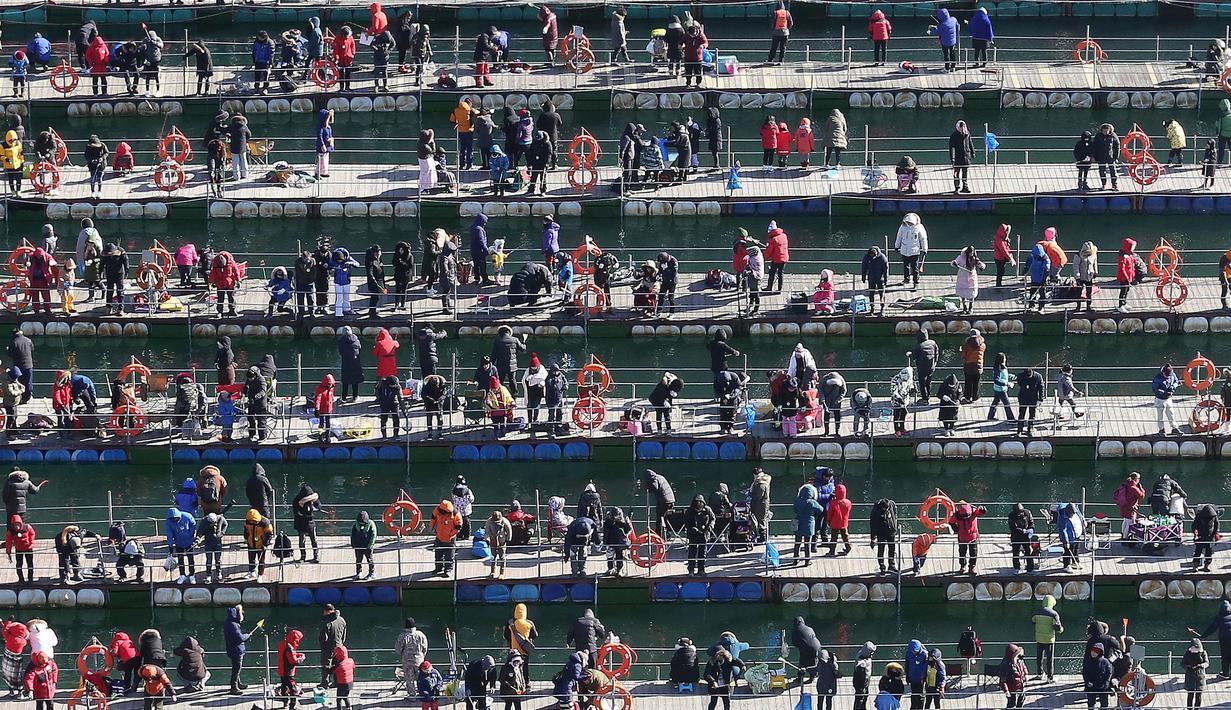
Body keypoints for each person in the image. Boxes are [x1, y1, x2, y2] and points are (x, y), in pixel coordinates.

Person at [395, 619, 429, 699]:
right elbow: (425, 647)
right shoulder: (421, 635)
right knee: (421, 678)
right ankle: (423, 694)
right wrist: (422, 656)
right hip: (419, 661)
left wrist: (403, 655)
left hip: (407, 662)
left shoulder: (402, 636)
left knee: (409, 680)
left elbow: (398, 649)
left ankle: (412, 696)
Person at [503, 604, 538, 682]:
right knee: (525, 668)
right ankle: (526, 683)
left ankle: (513, 683)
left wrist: (512, 641)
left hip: (513, 651)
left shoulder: (510, 623)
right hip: (525, 650)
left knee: (512, 667)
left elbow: (506, 636)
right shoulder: (529, 623)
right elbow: (535, 635)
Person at [1032, 594, 1062, 682]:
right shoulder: (1054, 614)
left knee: (1039, 657)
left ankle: (1040, 674)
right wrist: (1061, 630)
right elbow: (1057, 627)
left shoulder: (1037, 611)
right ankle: (1050, 677)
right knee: (1049, 659)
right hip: (1049, 640)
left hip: (1039, 638)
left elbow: (1033, 620)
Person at [683, 495, 715, 576]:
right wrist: (692, 528)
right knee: (692, 552)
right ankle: (691, 570)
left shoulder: (707, 510)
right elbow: (687, 523)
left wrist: (710, 527)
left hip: (704, 533)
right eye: (698, 502)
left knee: (702, 552)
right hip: (693, 534)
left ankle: (701, 569)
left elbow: (713, 518)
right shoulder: (689, 511)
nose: (699, 504)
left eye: (701, 502)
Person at [894, 213, 927, 290]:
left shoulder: (919, 227)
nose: (908, 224)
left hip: (914, 251)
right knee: (905, 266)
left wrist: (925, 249)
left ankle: (915, 282)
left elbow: (923, 239)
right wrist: (896, 246)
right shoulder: (902, 227)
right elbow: (899, 237)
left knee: (914, 268)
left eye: (910, 222)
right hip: (904, 250)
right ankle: (906, 279)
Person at [318, 604, 348, 688]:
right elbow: (344, 635)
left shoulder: (327, 623)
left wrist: (323, 647)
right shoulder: (342, 620)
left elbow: (323, 638)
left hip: (328, 648)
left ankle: (325, 683)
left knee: (326, 666)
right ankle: (336, 682)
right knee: (337, 665)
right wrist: (340, 644)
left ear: (327, 611)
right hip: (339, 647)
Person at [430, 500, 462, 576]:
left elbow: (458, 527)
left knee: (449, 556)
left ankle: (448, 570)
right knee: (438, 555)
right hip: (439, 537)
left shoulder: (456, 514)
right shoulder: (437, 510)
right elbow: (433, 518)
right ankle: (438, 568)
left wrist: (450, 534)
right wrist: (432, 528)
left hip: (450, 539)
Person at [641, 469, 676, 535]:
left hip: (664, 501)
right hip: (671, 500)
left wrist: (647, 487)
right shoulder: (660, 477)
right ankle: (667, 533)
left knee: (659, 519)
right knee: (665, 518)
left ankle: (659, 534)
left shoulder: (654, 479)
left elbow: (655, 487)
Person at [1114, 472, 1147, 540]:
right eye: (1138, 478)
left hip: (1124, 506)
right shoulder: (1133, 487)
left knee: (1125, 521)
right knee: (1130, 523)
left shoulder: (1125, 485)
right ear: (1136, 479)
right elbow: (1141, 496)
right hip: (1130, 508)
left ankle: (1123, 534)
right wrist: (1141, 488)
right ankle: (1124, 538)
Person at [242, 508, 273, 578]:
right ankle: (251, 571)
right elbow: (246, 530)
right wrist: (246, 538)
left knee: (261, 560)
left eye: (254, 521)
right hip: (251, 543)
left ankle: (260, 574)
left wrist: (266, 544)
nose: (252, 522)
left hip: (261, 544)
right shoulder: (247, 521)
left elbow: (269, 534)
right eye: (251, 521)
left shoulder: (265, 522)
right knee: (251, 558)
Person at [1153, 363, 1182, 436]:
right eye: (1167, 375)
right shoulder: (1157, 378)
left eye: (1169, 375)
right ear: (1163, 373)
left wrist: (1173, 386)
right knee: (1160, 416)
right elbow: (1155, 389)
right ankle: (1161, 430)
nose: (1168, 377)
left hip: (1168, 399)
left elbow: (1176, 381)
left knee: (1171, 414)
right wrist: (1164, 392)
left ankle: (1174, 428)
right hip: (1160, 399)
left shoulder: (1171, 374)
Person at [860, 246, 889, 316]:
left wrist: (886, 279)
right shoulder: (866, 257)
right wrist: (863, 277)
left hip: (880, 278)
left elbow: (886, 269)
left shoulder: (882, 257)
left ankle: (882, 308)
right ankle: (872, 308)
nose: (873, 257)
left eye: (874, 256)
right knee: (871, 294)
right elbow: (864, 267)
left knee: (882, 294)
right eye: (871, 256)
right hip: (871, 278)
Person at [1015, 367, 1044, 437]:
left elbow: (1041, 387)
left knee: (1032, 413)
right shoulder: (1020, 376)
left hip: (1033, 398)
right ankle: (1019, 430)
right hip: (1023, 397)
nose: (1028, 377)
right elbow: (1019, 383)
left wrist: (1040, 399)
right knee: (1021, 413)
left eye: (1029, 376)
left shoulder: (1038, 376)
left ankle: (1030, 428)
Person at [1083, 644, 1113, 710]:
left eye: (1096, 652)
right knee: (1091, 704)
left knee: (1104, 704)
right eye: (1092, 651)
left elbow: (1109, 673)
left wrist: (1106, 683)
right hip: (1091, 685)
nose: (1093, 653)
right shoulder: (1088, 661)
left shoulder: (1105, 662)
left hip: (1102, 685)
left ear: (1100, 652)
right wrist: (1087, 681)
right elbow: (1085, 672)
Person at [348, 511, 376, 580]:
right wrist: (353, 544)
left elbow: (373, 535)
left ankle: (372, 573)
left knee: (370, 559)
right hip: (358, 546)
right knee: (358, 560)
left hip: (368, 546)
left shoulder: (371, 524)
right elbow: (352, 534)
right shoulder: (355, 525)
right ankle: (358, 573)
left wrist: (370, 545)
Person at [988, 353, 1015, 422]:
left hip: (998, 389)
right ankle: (1011, 419)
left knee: (996, 402)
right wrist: (1007, 384)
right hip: (1001, 390)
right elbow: (996, 381)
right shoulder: (997, 369)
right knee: (1007, 404)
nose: (1005, 359)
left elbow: (1003, 375)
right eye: (1004, 358)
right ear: (1001, 360)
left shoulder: (1002, 367)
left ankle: (990, 416)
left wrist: (1010, 376)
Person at [1009, 503, 1036, 573]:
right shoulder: (1011, 515)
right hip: (1016, 535)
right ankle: (1016, 568)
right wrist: (1021, 530)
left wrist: (1031, 529)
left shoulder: (1027, 512)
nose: (1020, 514)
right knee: (1015, 552)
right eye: (1018, 512)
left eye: (1021, 512)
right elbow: (1012, 527)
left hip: (1026, 536)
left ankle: (1030, 568)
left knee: (1028, 551)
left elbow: (1031, 522)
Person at [1092, 123, 1120, 190]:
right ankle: (1103, 184)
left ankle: (1114, 184)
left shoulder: (1113, 135)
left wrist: (1116, 157)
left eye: (1107, 130)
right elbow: (1094, 147)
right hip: (1100, 156)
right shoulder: (1098, 136)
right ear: (1101, 130)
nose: (1105, 132)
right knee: (1102, 171)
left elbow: (1117, 146)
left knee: (1113, 171)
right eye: (1104, 131)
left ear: (1109, 130)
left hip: (1110, 156)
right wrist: (1094, 156)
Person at [1193, 503, 1220, 572]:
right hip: (1204, 537)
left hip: (1206, 537)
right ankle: (1199, 566)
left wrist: (1214, 534)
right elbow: (1217, 526)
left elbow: (1194, 526)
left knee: (1202, 552)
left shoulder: (1201, 516)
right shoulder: (1213, 516)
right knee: (1204, 552)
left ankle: (1202, 566)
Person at [485, 510, 512, 579]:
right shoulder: (489, 521)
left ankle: (501, 573)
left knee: (502, 557)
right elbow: (487, 531)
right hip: (493, 541)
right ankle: (492, 571)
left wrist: (508, 539)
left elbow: (509, 530)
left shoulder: (504, 521)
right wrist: (487, 540)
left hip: (501, 542)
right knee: (493, 557)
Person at [949, 121, 974, 194]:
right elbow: (952, 148)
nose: (962, 129)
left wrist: (973, 152)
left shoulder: (967, 133)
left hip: (966, 157)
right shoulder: (954, 136)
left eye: (963, 127)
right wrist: (952, 158)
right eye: (961, 127)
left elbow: (970, 143)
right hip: (957, 158)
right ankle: (957, 188)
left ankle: (965, 187)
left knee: (965, 173)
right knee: (956, 173)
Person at [999, 644, 1027, 709]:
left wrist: (1026, 673)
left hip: (1021, 685)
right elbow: (1002, 680)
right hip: (1012, 688)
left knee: (1022, 699)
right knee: (1011, 704)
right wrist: (1006, 691)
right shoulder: (1005, 665)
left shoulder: (1019, 660)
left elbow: (1023, 666)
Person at [1184, 638, 1209, 710]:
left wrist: (1201, 666)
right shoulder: (1187, 653)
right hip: (1190, 676)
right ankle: (1189, 709)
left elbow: (1207, 663)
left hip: (1200, 676)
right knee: (1190, 695)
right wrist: (1188, 667)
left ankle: (1197, 709)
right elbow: (1182, 663)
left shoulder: (1203, 652)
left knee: (1199, 695)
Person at [681, 23, 708, 88]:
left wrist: (703, 46)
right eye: (690, 34)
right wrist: (682, 45)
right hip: (688, 56)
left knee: (698, 71)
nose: (692, 36)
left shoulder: (701, 35)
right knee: (688, 71)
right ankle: (688, 83)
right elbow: (681, 41)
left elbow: (706, 42)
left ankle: (698, 83)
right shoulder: (686, 35)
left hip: (697, 57)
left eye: (693, 34)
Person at [904, 640, 928, 710]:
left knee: (921, 695)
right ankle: (913, 707)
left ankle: (920, 708)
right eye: (912, 651)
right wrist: (907, 676)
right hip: (912, 677)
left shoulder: (925, 654)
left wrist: (926, 678)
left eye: (915, 651)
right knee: (914, 694)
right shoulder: (908, 653)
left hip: (921, 678)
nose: (913, 652)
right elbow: (907, 665)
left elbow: (927, 668)